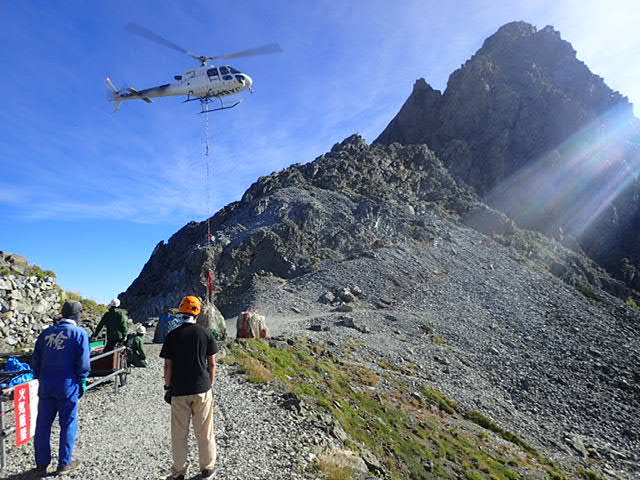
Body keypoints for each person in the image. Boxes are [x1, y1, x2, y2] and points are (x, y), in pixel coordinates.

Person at [160, 296, 217, 480]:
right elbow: (213, 364)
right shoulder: (206, 333)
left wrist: (168, 387)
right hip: (202, 389)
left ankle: (178, 472)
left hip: (179, 391)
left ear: (181, 311)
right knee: (205, 431)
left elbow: (168, 366)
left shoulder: (172, 336)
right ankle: (207, 469)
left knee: (179, 433)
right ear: (198, 312)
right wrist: (210, 384)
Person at [31, 300, 90, 476]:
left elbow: (35, 360)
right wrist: (82, 382)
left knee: (42, 424)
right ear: (77, 315)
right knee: (68, 424)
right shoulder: (80, 333)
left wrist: (41, 377)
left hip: (46, 385)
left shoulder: (46, 333)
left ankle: (41, 463)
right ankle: (64, 463)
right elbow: (84, 364)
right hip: (68, 386)